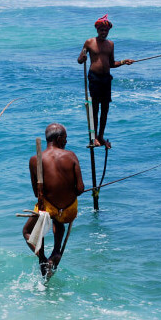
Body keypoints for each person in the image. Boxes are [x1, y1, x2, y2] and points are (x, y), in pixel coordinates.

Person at [22, 123, 85, 273]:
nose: (66, 142)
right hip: (69, 210)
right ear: (58, 138)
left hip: (47, 209)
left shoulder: (34, 160)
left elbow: (36, 193)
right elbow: (80, 189)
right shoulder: (71, 156)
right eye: (65, 138)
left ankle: (42, 258)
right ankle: (56, 252)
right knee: (59, 220)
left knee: (26, 231)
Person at [77, 15, 134, 148]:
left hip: (106, 79)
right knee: (95, 108)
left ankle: (101, 137)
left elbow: (112, 63)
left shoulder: (111, 44)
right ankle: (94, 137)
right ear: (97, 30)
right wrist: (82, 57)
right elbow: (80, 60)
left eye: (106, 30)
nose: (104, 32)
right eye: (101, 30)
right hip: (94, 78)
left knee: (105, 109)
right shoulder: (89, 42)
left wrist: (124, 62)